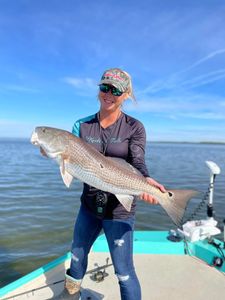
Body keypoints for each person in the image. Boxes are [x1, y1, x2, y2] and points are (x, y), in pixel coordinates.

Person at [54, 68, 166, 300]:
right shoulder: (81, 126)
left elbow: (137, 161)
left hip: (119, 211)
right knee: (76, 259)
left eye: (115, 90)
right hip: (89, 207)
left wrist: (146, 181)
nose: (108, 93)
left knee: (124, 272)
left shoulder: (135, 127)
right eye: (104, 87)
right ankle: (71, 294)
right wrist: (53, 152)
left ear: (126, 94)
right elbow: (68, 158)